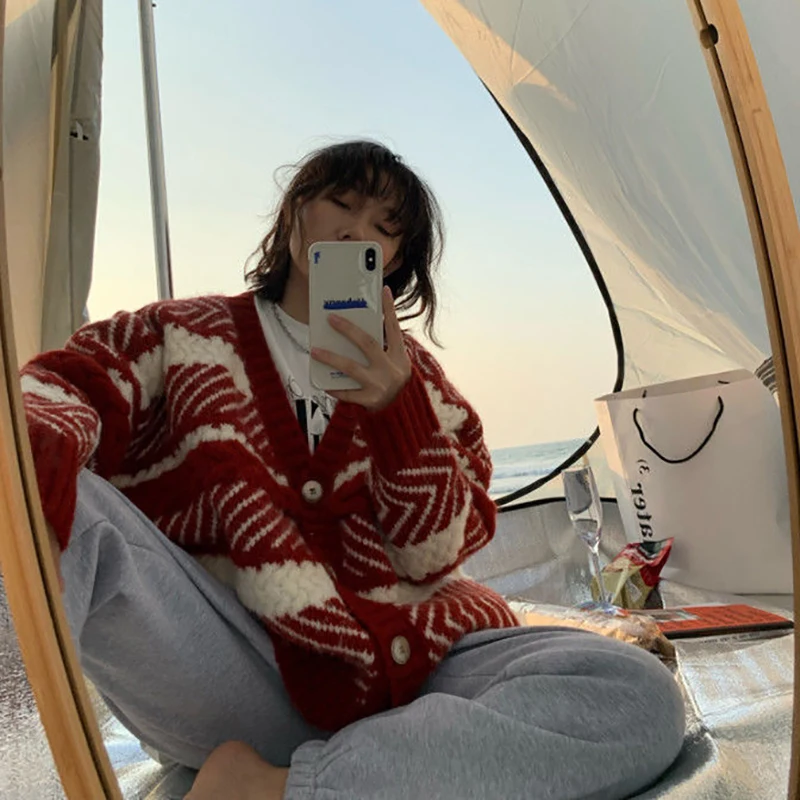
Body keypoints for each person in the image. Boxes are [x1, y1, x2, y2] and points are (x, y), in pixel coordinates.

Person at [22, 140, 684, 799]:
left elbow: (433, 556)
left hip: (418, 666)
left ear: (394, 259)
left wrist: (399, 414)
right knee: (31, 484)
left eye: (384, 228)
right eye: (340, 204)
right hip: (237, 669)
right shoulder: (180, 334)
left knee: (636, 693)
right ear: (295, 215)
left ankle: (277, 790)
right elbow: (61, 388)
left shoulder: (420, 381)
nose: (356, 231)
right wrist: (47, 444)